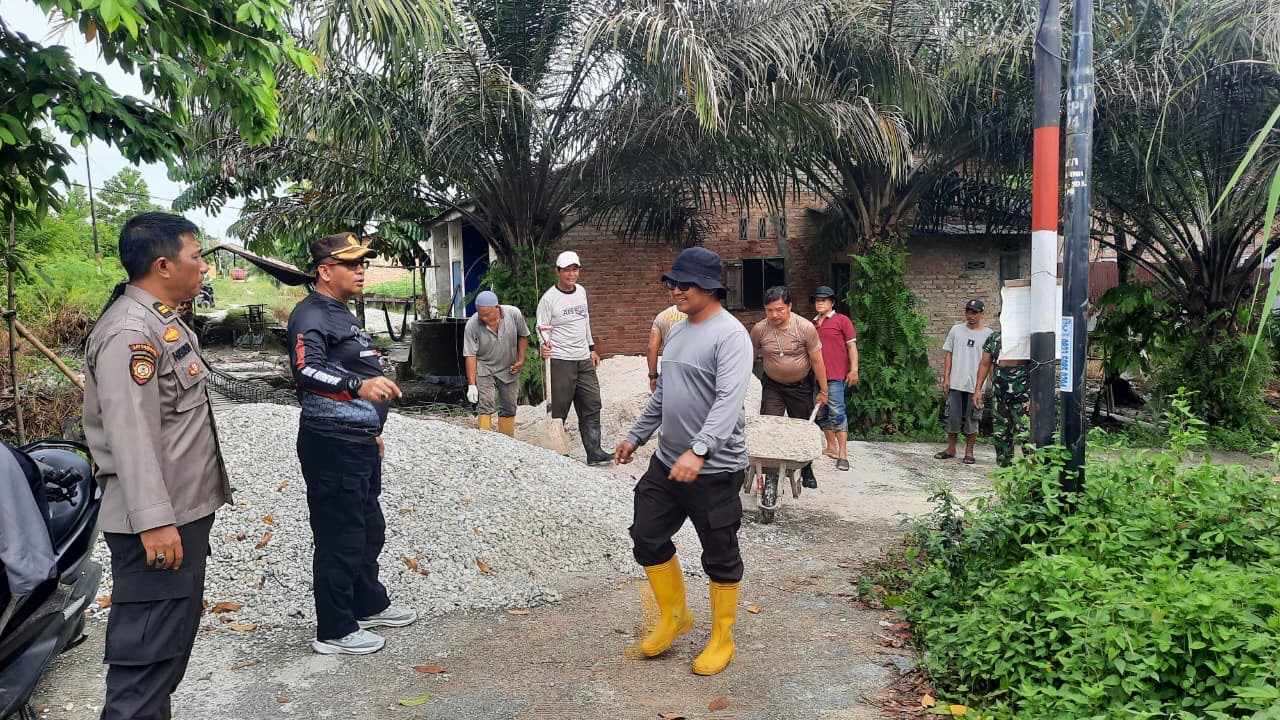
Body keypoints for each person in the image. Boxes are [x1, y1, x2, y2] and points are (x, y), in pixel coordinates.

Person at [83, 212, 231, 720]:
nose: (204, 269)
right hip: (159, 527)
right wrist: (155, 522)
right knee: (143, 668)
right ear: (164, 265)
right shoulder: (131, 332)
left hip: (179, 518)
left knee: (164, 658)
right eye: (197, 258)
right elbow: (130, 434)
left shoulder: (160, 320)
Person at [615, 246, 753, 677]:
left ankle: (722, 638)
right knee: (646, 534)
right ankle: (675, 617)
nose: (677, 290)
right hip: (667, 462)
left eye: (685, 284)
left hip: (715, 468)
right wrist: (636, 435)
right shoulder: (676, 330)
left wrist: (700, 448)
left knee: (720, 554)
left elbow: (730, 400)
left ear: (711, 288)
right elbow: (664, 394)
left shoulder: (731, 336)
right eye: (673, 283)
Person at [287, 232, 417, 656]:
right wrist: (357, 385)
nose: (361, 269)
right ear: (325, 271)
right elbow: (307, 372)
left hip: (358, 439)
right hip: (331, 443)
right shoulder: (310, 315)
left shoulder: (340, 312)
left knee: (367, 529)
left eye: (363, 262)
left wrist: (372, 429)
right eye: (351, 263)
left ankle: (368, 604)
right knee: (339, 535)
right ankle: (335, 628)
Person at [749, 286, 829, 488]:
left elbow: (817, 361)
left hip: (800, 386)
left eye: (779, 309)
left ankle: (806, 468)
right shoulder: (760, 329)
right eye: (769, 310)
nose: (774, 315)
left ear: (789, 306)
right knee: (769, 424)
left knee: (801, 427)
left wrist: (824, 390)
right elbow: (748, 357)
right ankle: (768, 467)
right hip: (772, 386)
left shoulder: (804, 328)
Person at [536, 250, 611, 465]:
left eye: (575, 269)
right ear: (557, 271)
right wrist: (544, 346)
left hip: (583, 358)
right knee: (558, 407)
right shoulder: (549, 299)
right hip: (560, 358)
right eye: (567, 270)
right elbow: (542, 326)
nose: (571, 274)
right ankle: (558, 453)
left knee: (592, 402)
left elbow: (584, 321)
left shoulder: (581, 292)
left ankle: (594, 452)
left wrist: (591, 348)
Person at [464, 290, 529, 436]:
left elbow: (523, 335)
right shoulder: (472, 325)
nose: (483, 318)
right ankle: (485, 438)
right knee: (486, 403)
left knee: (509, 406)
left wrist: (521, 360)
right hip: (484, 367)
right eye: (480, 314)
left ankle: (507, 438)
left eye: (487, 314)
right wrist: (472, 384)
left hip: (509, 367)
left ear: (497, 307)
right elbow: (470, 355)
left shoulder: (513, 314)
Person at [935, 299, 993, 464]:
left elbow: (990, 362)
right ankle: (951, 448)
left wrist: (988, 384)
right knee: (952, 417)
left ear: (982, 314)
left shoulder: (988, 334)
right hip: (956, 382)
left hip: (976, 386)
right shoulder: (956, 330)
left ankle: (969, 451)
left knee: (972, 419)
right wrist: (946, 377)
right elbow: (949, 354)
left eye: (974, 312)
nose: (971, 316)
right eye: (968, 312)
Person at [810, 286, 858, 472]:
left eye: (824, 300)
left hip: (835, 375)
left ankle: (843, 455)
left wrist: (853, 369)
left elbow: (852, 347)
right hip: (815, 377)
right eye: (817, 300)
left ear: (832, 302)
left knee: (837, 413)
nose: (820, 303)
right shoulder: (811, 324)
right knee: (821, 414)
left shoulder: (842, 321)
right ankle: (832, 447)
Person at [974, 329, 1030, 466]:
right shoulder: (995, 339)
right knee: (1000, 437)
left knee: (1028, 439)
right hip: (1000, 398)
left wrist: (1034, 397)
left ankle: (1033, 477)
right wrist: (978, 390)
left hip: (1023, 398)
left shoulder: (1028, 338)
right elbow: (985, 364)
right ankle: (1005, 473)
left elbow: (1039, 366)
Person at [646, 292, 687, 393]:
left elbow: (651, 348)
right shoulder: (695, 316)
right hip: (690, 368)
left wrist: (653, 376)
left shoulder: (661, 316)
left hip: (669, 367)